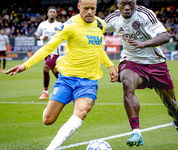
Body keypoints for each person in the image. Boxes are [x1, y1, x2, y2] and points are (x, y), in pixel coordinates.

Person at [5, 0, 118, 149]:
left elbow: (98, 48)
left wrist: (110, 65)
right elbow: (48, 47)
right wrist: (26, 65)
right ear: (79, 7)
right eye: (86, 8)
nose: (90, 12)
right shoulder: (70, 25)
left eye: (93, 8)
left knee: (82, 111)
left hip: (88, 81)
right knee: (48, 119)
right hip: (66, 79)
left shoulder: (100, 24)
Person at [104, 0, 178, 147]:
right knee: (127, 82)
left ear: (135, 2)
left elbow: (165, 36)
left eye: (130, 3)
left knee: (171, 104)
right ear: (117, 3)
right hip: (131, 61)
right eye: (123, 3)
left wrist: (144, 43)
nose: (127, 7)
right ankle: (136, 132)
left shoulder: (145, 15)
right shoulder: (112, 18)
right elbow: (93, 27)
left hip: (156, 64)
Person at [35, 6, 62, 100]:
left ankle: (45, 91)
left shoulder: (60, 25)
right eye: (50, 12)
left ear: (56, 14)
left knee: (45, 69)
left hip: (55, 51)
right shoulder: (42, 25)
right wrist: (42, 37)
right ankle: (65, 85)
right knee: (54, 70)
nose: (52, 13)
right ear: (47, 14)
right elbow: (37, 35)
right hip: (45, 51)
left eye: (54, 12)